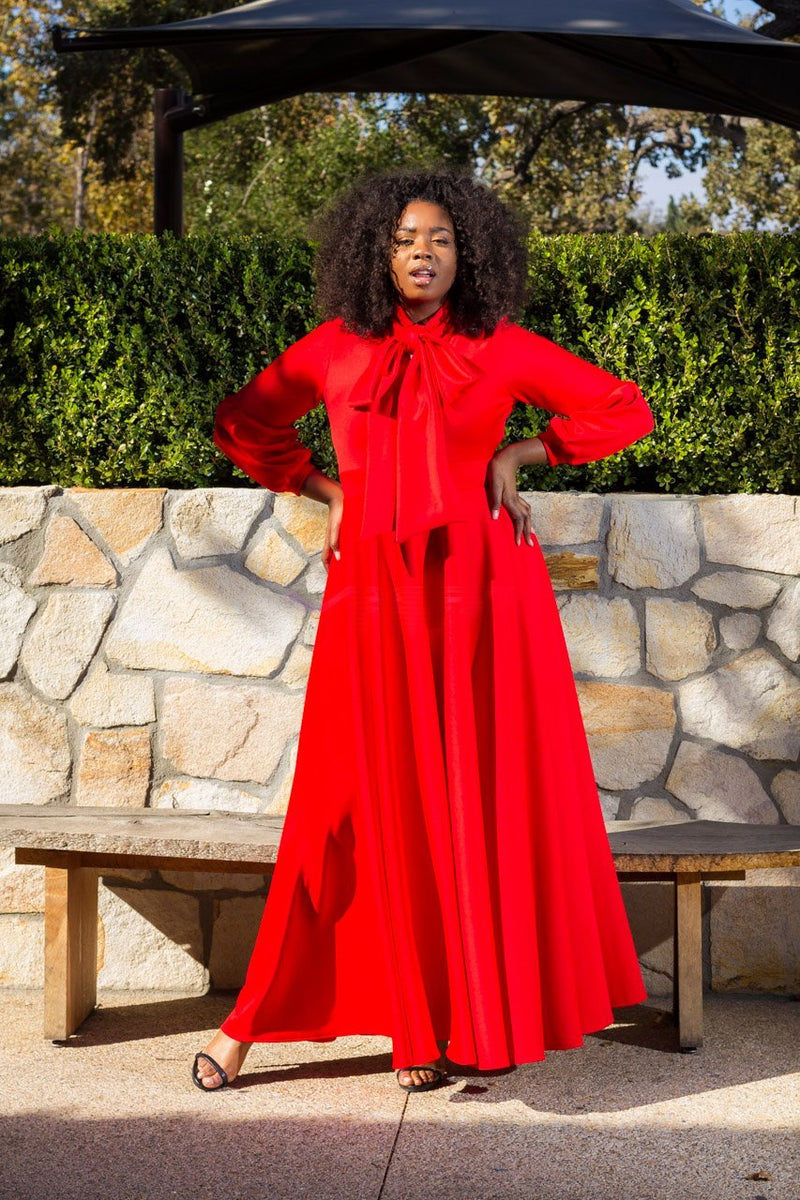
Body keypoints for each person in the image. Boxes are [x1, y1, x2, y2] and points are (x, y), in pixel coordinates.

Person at [193, 167, 653, 1096]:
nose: (422, 253)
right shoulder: (334, 347)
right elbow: (243, 420)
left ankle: (441, 1027)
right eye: (405, 239)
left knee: (470, 798)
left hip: (482, 600)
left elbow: (621, 407)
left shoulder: (500, 345)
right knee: (347, 801)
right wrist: (323, 490)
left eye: (440, 238)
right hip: (373, 597)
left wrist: (522, 452)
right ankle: (264, 1023)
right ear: (377, 253)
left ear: (466, 253)